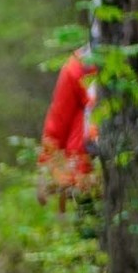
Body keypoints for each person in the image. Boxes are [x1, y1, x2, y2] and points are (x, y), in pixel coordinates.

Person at [39, 45, 97, 201]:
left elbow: (57, 122)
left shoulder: (79, 65)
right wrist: (50, 169)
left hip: (89, 171)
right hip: (83, 174)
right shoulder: (79, 66)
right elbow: (58, 121)